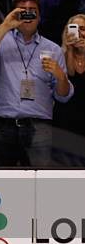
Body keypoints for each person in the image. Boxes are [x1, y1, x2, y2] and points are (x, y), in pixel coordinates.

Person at [0, 0, 73, 166]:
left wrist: (60, 75)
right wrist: (5, 25)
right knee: (0, 186)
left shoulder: (53, 49)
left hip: (38, 127)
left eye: (32, 12)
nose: (28, 16)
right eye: (22, 12)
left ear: (39, 17)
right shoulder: (0, 39)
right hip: (1, 125)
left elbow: (63, 96)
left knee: (39, 186)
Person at [53, 13, 85, 164]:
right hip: (65, 126)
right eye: (75, 29)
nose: (79, 33)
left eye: (83, 29)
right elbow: (70, 73)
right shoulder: (59, 56)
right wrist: (70, 49)